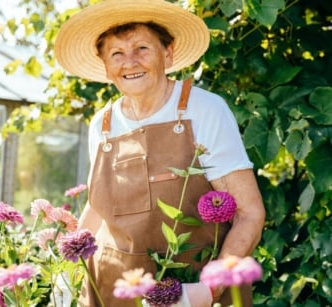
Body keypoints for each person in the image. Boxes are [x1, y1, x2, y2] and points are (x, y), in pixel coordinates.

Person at [54, 0, 266, 306]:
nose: (130, 62)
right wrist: (67, 267)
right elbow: (99, 207)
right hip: (117, 288)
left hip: (191, 288)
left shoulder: (203, 110)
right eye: (117, 53)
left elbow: (250, 214)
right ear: (105, 65)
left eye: (141, 48)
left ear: (168, 52)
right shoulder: (103, 123)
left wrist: (209, 289)